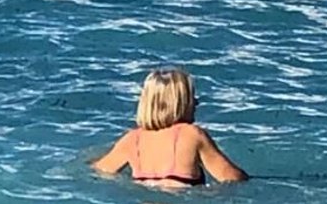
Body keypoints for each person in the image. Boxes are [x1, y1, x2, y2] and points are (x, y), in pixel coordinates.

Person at [91, 68, 248, 186]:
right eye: (191, 98)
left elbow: (100, 170)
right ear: (180, 104)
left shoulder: (132, 139)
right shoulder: (192, 135)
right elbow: (231, 178)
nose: (196, 103)